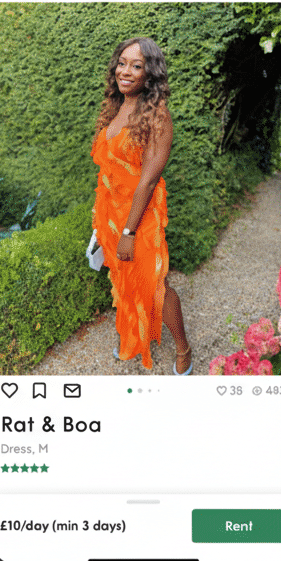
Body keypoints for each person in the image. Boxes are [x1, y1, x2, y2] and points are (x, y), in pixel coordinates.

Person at [91, 37, 193, 375]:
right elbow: (109, 171)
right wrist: (101, 221)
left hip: (139, 219)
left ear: (150, 74)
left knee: (156, 285)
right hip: (112, 214)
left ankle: (184, 348)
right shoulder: (115, 107)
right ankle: (133, 337)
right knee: (125, 281)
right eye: (122, 63)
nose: (125, 71)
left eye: (136, 66)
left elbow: (148, 181)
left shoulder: (158, 117)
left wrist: (128, 232)